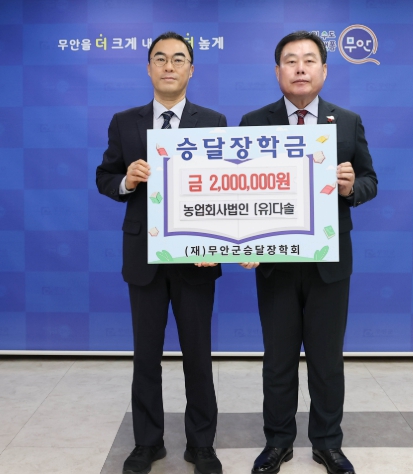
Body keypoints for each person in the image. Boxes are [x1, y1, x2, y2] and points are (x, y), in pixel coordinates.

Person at [238, 31, 378, 474]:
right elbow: (240, 190)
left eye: (309, 60)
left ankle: (327, 444)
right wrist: (241, 238)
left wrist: (351, 187)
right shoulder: (253, 122)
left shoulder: (347, 122)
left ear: (324, 70)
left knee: (326, 360)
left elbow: (371, 181)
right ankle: (277, 442)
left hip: (328, 263)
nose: (300, 68)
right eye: (291, 60)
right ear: (278, 71)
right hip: (274, 262)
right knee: (278, 360)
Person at [96, 31, 225, 474]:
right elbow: (105, 176)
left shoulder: (214, 122)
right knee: (146, 357)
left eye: (178, 59)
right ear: (149, 68)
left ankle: (201, 444)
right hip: (144, 256)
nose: (169, 66)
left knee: (198, 357)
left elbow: (224, 189)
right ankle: (147, 443)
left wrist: (217, 243)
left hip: (196, 256)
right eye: (160, 59)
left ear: (191, 69)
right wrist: (127, 180)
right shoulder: (125, 122)